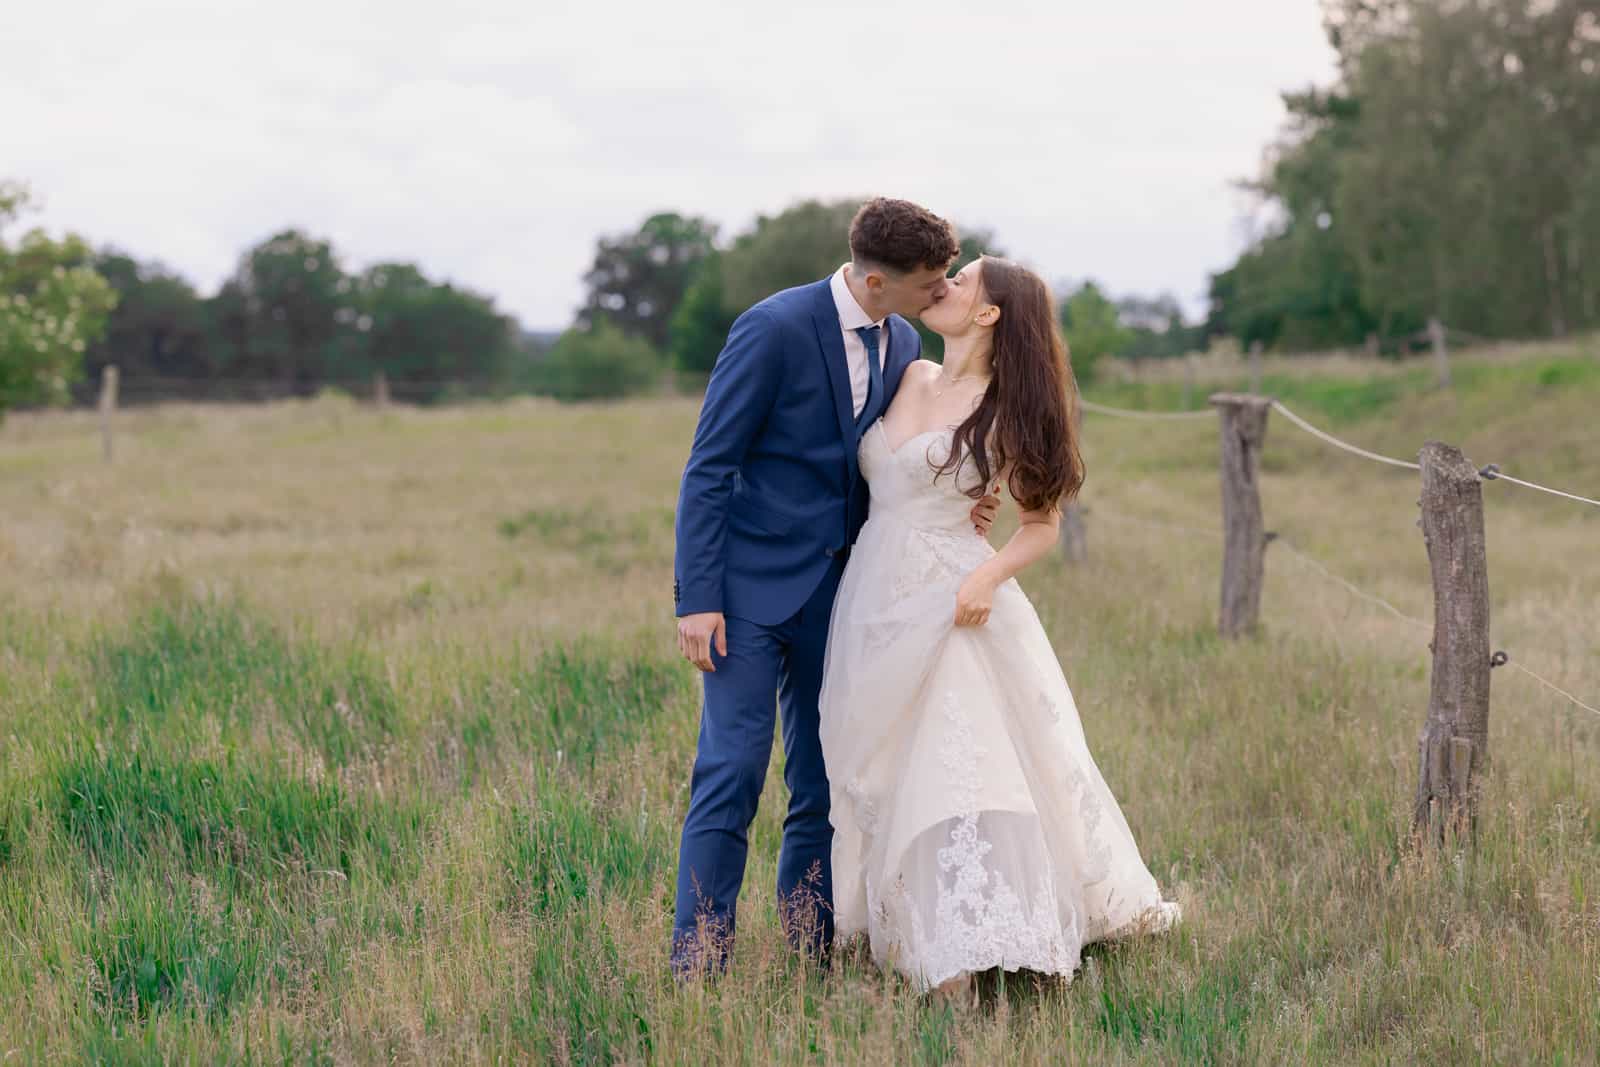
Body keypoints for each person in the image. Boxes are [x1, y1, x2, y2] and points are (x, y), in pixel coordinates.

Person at [818, 255, 1181, 1004]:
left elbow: (1041, 524)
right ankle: (903, 920)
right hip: (874, 597)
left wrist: (982, 576)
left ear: (988, 314)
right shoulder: (909, 374)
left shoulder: (1005, 404)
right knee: (880, 762)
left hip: (957, 602)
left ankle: (960, 947)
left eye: (962, 278)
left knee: (955, 766)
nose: (942, 283)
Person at [670, 198, 998, 976]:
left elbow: (898, 452)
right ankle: (699, 958)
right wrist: (697, 595)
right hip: (745, 595)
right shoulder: (772, 328)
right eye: (930, 281)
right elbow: (710, 465)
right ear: (878, 279)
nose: (940, 291)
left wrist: (966, 492)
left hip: (844, 594)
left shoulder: (907, 338)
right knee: (734, 769)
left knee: (824, 774)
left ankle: (808, 944)